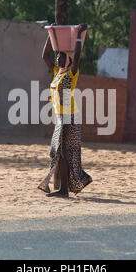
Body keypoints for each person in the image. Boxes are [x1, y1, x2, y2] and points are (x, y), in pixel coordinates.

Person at [37, 23, 93, 198]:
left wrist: (78, 34)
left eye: (61, 57)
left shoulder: (71, 73)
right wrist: (51, 34)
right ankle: (63, 189)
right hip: (61, 118)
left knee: (61, 152)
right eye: (57, 57)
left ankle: (63, 190)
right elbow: (44, 55)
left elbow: (76, 56)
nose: (57, 59)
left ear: (67, 60)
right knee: (59, 153)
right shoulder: (57, 73)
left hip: (70, 117)